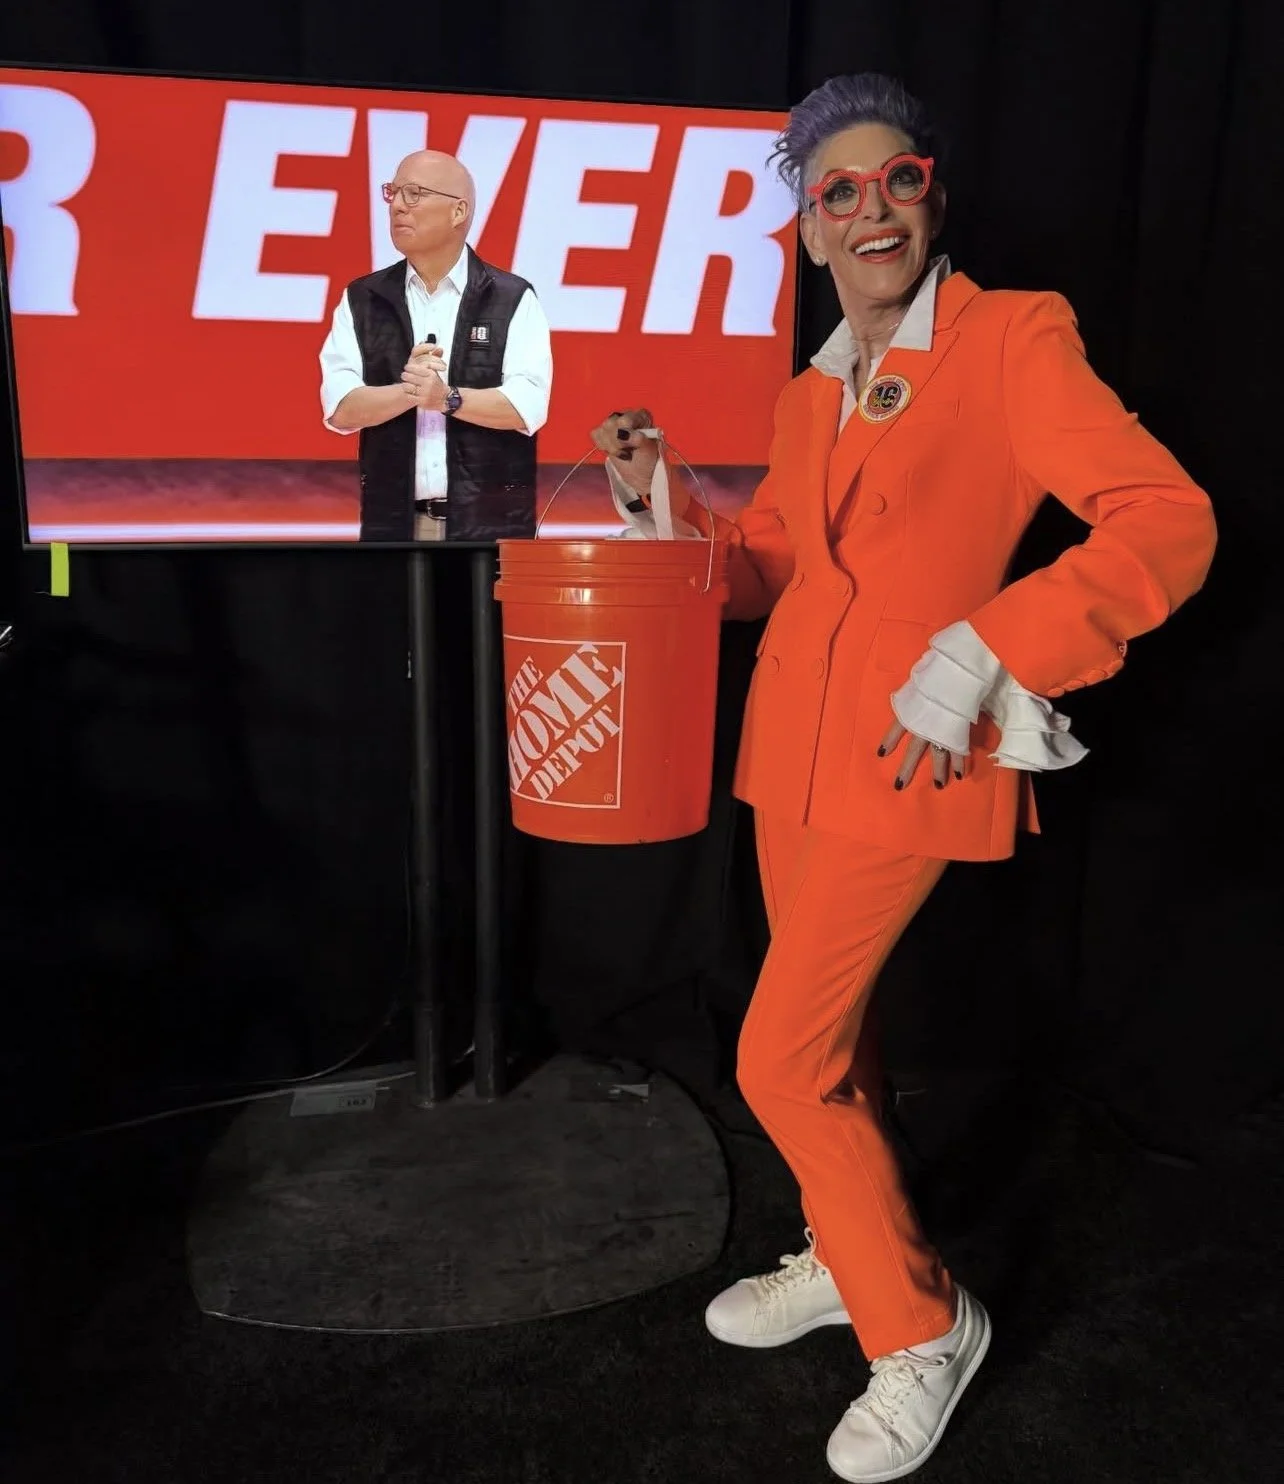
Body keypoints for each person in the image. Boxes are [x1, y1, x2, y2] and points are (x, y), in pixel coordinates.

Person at [590, 73, 1216, 1484]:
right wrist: (663, 506)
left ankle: (923, 1325)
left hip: (915, 758)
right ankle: (845, 1248)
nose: (874, 207)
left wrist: (994, 647)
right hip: (788, 763)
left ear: (934, 196)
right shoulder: (810, 388)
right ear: (807, 232)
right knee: (839, 1048)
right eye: (839, 193)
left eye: (901, 179)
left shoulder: (1010, 339)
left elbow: (1169, 520)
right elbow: (772, 575)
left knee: (774, 1056)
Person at [319, 150, 553, 542]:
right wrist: (410, 392)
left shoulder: (512, 297)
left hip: (489, 529)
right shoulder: (362, 298)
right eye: (392, 193)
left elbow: (526, 406)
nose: (397, 206)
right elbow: (341, 409)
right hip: (392, 525)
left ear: (458, 212)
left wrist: (447, 399)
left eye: (414, 194)